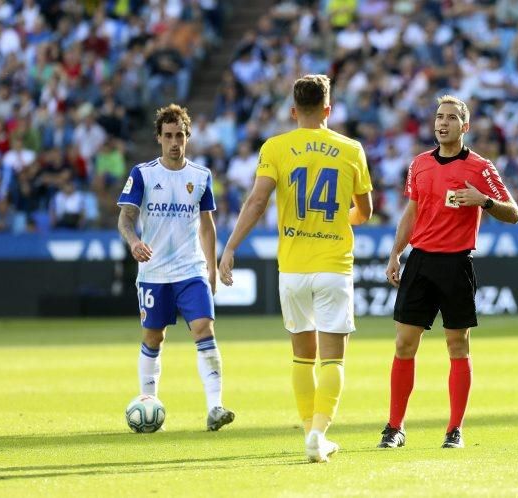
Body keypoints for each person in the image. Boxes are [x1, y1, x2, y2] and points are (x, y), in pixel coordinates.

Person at [218, 74, 373, 463]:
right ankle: (319, 433)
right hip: (334, 265)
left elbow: (256, 202)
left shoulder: (276, 147)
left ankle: (310, 432)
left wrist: (230, 247)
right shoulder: (350, 148)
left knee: (303, 357)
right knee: (333, 358)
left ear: (292, 111)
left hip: (292, 268)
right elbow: (365, 212)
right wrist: (340, 219)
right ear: (328, 109)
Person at [378, 95, 518, 450]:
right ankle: (395, 427)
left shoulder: (481, 168)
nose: (443, 123)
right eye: (439, 117)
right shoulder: (419, 164)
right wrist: (396, 253)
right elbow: (411, 212)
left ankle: (454, 429)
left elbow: (513, 212)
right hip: (420, 262)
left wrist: (483, 201)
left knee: (457, 345)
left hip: (457, 263)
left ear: (464, 126)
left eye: (451, 118)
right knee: (403, 344)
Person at [117, 104, 234, 432]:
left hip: (190, 269)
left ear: (187, 137)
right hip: (154, 272)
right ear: (158, 137)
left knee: (204, 329)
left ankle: (215, 407)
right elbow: (125, 219)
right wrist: (133, 242)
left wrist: (211, 269)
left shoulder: (200, 176)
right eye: (168, 135)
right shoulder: (143, 174)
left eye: (179, 135)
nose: (174, 142)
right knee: (154, 337)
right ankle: (148, 400)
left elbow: (207, 226)